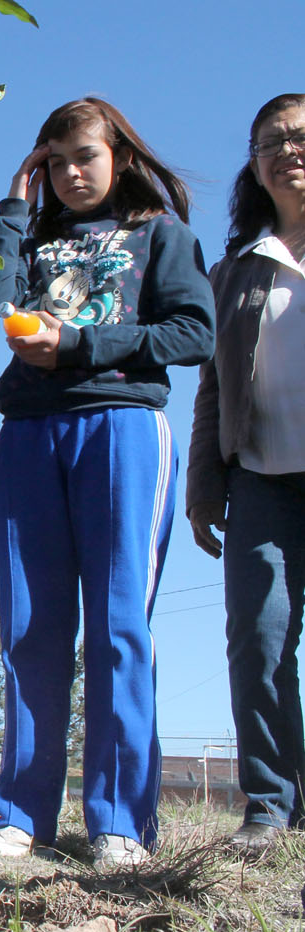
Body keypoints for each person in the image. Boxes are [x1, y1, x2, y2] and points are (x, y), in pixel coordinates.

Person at [0, 98, 214, 870]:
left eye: (86, 156)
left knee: (118, 626)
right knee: (30, 627)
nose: (72, 173)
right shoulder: (33, 236)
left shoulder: (160, 234)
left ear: (120, 158)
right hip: (28, 433)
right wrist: (14, 204)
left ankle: (120, 821)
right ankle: (19, 813)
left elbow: (194, 332)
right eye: (56, 161)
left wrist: (79, 344)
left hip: (122, 425)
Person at [188, 93, 305, 856]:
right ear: (254, 164)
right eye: (270, 141)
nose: (287, 150)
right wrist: (204, 487)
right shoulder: (234, 270)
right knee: (258, 641)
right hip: (260, 479)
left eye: (300, 136)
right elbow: (212, 387)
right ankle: (270, 805)